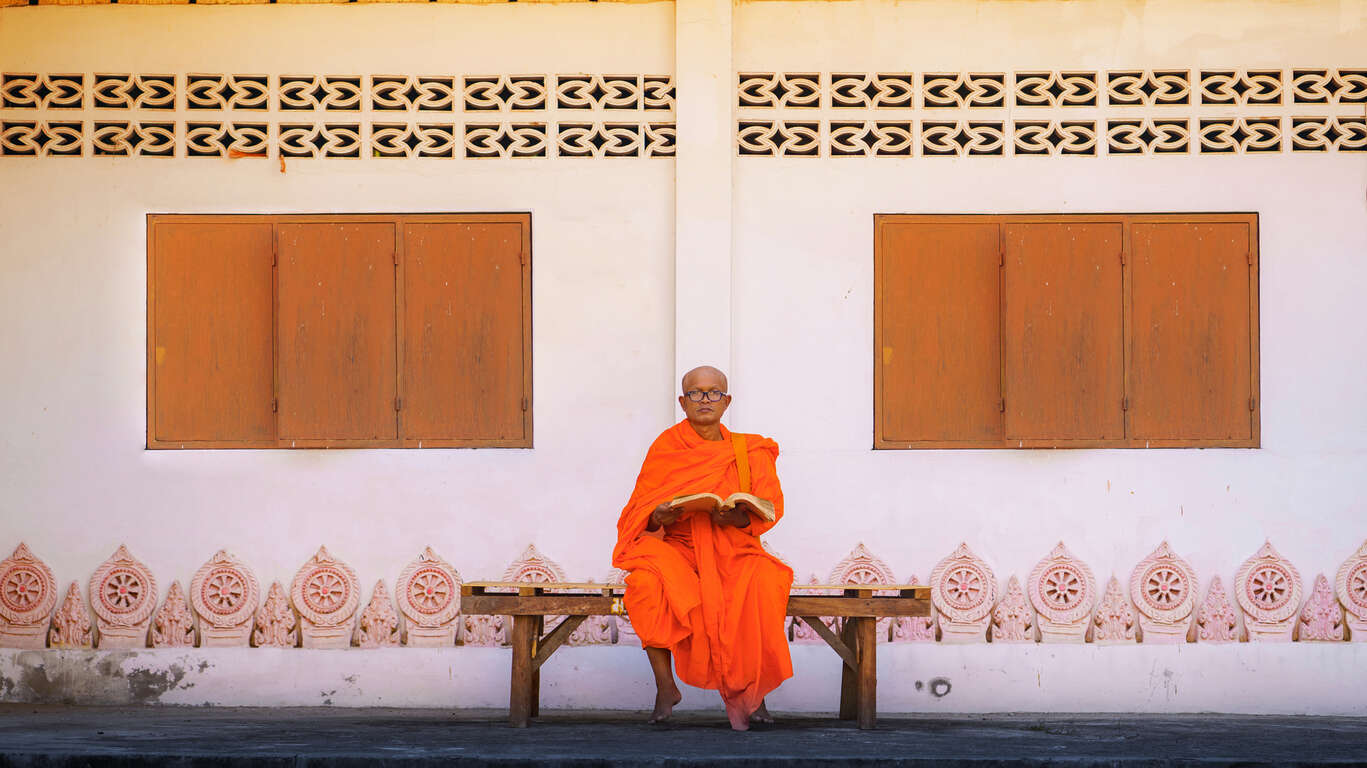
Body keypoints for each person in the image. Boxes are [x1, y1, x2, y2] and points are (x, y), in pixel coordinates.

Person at [612, 365, 793, 731]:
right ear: (683, 401)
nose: (705, 399)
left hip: (733, 549)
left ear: (727, 401)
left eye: (713, 393)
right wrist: (657, 515)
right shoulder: (667, 446)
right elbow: (639, 508)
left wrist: (736, 519)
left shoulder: (749, 450)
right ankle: (666, 688)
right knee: (644, 586)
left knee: (761, 583)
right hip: (679, 549)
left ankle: (755, 695)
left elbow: (769, 506)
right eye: (696, 393)